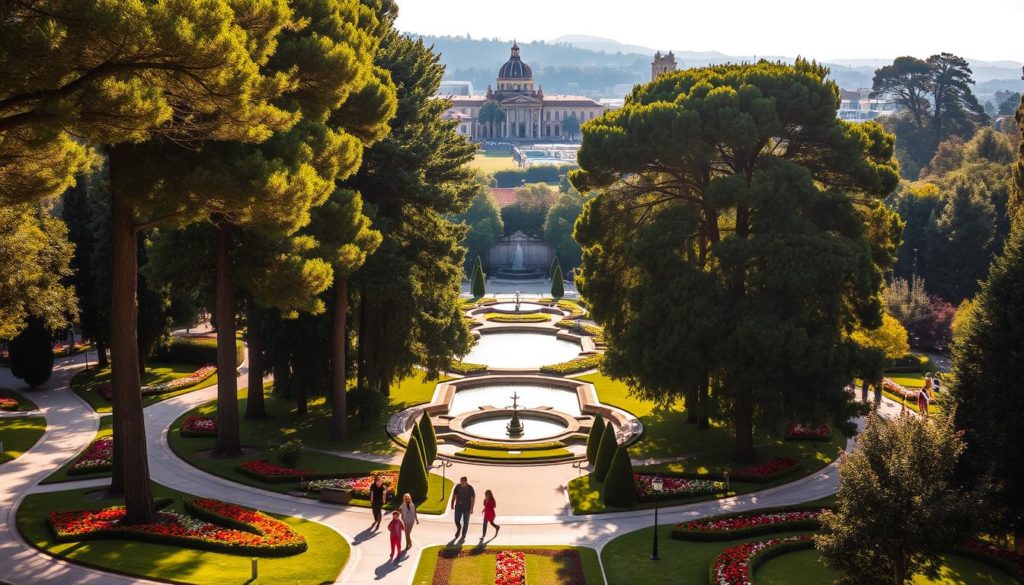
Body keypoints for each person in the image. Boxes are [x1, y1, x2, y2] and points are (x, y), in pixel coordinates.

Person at [450, 476, 475, 540]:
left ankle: (463, 535)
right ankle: (459, 528)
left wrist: (472, 508)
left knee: (466, 522)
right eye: (460, 481)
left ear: (465, 481)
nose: (461, 483)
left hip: (467, 507)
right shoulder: (458, 487)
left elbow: (472, 498)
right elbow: (454, 495)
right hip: (458, 506)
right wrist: (452, 503)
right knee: (456, 520)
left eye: (462, 481)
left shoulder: (470, 488)